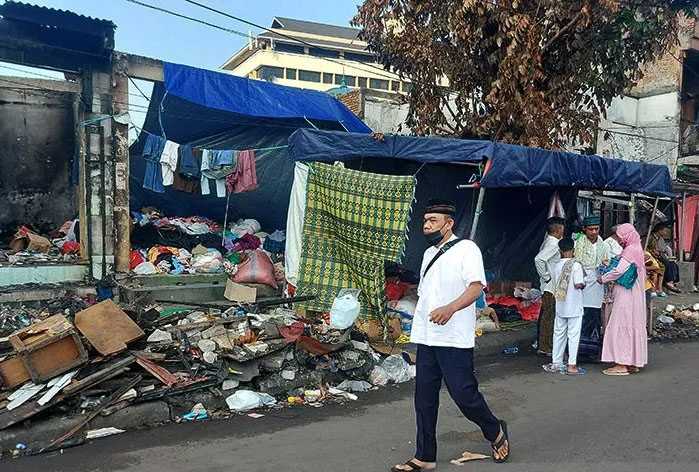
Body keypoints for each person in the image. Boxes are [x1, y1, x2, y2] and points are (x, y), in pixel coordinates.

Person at [392, 199, 509, 471]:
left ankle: (494, 430)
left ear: (449, 223)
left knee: (464, 395)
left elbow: (476, 288)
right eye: (425, 221)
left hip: (454, 337)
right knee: (424, 399)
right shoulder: (427, 255)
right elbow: (426, 293)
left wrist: (451, 308)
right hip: (427, 337)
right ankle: (425, 456)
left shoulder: (466, 249)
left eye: (433, 220)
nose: (427, 225)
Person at [598, 224, 648, 375]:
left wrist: (603, 278)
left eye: (620, 237)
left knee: (620, 323)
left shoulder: (630, 250)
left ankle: (621, 363)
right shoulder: (637, 248)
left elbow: (619, 271)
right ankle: (633, 362)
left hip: (626, 294)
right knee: (632, 323)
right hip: (636, 295)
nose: (619, 240)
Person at [543, 238, 586, 375]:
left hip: (560, 305)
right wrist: (584, 282)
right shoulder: (576, 265)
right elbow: (578, 284)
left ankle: (557, 362)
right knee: (573, 335)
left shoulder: (556, 265)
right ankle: (572, 365)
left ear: (560, 251)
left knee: (559, 333)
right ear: (573, 249)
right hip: (574, 306)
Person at [574, 215, 609, 360]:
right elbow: (575, 264)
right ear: (584, 230)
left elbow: (607, 263)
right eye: (591, 229)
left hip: (597, 287)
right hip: (582, 286)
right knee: (581, 319)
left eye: (596, 229)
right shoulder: (578, 244)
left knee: (594, 319)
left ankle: (592, 352)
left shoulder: (603, 245)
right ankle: (578, 353)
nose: (594, 232)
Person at [534, 217, 565, 355]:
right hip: (551, 286)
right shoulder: (554, 244)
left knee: (546, 315)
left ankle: (543, 344)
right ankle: (546, 346)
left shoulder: (548, 241)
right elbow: (539, 259)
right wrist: (546, 276)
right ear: (558, 229)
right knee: (549, 316)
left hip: (549, 286)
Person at [650, 222, 681, 294]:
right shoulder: (650, 237)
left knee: (674, 264)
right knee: (667, 264)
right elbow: (648, 248)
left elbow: (663, 249)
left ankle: (670, 282)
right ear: (659, 230)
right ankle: (667, 283)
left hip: (659, 256)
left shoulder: (660, 239)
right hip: (652, 257)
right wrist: (655, 252)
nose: (666, 232)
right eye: (664, 230)